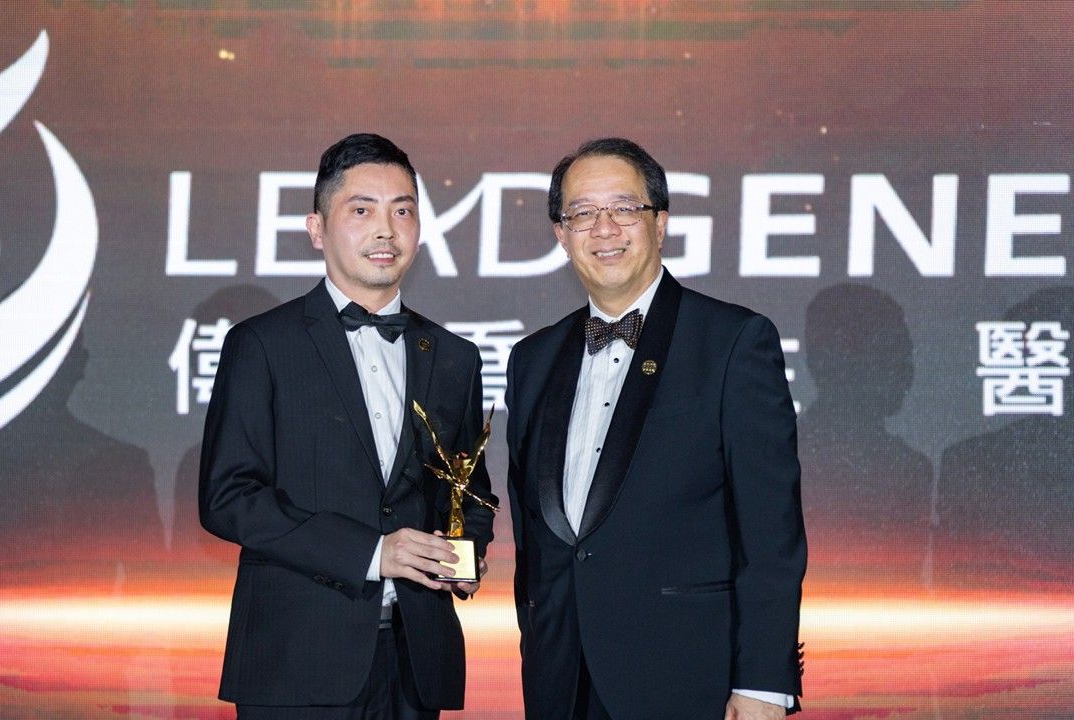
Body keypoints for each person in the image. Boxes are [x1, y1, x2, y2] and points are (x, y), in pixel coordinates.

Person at [505, 138, 806, 719]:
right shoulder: (532, 359)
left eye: (624, 208)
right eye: (582, 214)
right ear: (561, 234)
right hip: (560, 680)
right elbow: (536, 538)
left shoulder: (732, 342)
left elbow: (771, 533)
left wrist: (764, 682)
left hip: (688, 679)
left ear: (660, 223)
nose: (604, 229)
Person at [199, 133, 496, 719]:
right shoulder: (262, 345)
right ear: (317, 229)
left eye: (402, 211)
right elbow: (228, 498)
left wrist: (465, 554)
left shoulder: (454, 357)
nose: (386, 231)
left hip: (415, 662)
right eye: (361, 211)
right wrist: (373, 553)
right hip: (296, 660)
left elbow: (468, 488)